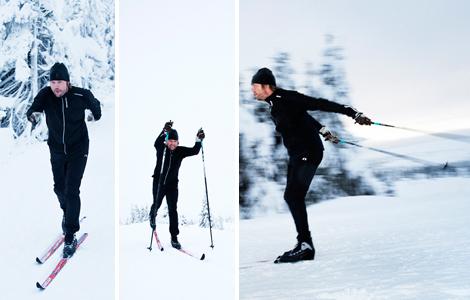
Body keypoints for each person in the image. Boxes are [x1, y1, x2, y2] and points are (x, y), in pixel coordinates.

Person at [251, 67, 372, 263]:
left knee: (293, 196)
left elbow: (318, 104)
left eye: (254, 86)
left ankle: (305, 246)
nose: (252, 91)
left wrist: (352, 113)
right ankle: (304, 244)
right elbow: (302, 117)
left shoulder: (287, 97)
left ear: (266, 86)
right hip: (298, 154)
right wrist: (322, 129)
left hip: (308, 152)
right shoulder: (275, 103)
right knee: (291, 196)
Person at [26, 62, 102, 258]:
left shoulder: (79, 95)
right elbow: (34, 108)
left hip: (78, 149)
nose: (56, 86)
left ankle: (70, 234)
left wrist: (94, 113)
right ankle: (68, 214)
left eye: (59, 82)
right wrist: (33, 115)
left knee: (71, 190)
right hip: (57, 149)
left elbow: (96, 107)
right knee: (59, 188)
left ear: (67, 82)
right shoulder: (46, 95)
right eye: (52, 82)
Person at [149, 121, 205, 249]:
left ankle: (174, 238)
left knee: (173, 210)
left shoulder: (180, 151)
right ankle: (152, 215)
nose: (172, 143)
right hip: (158, 183)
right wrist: (164, 131)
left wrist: (198, 139)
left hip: (172, 186)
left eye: (175, 141)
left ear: (178, 142)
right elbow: (156, 143)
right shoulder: (161, 149)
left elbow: (195, 151)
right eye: (170, 140)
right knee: (156, 204)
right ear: (167, 141)